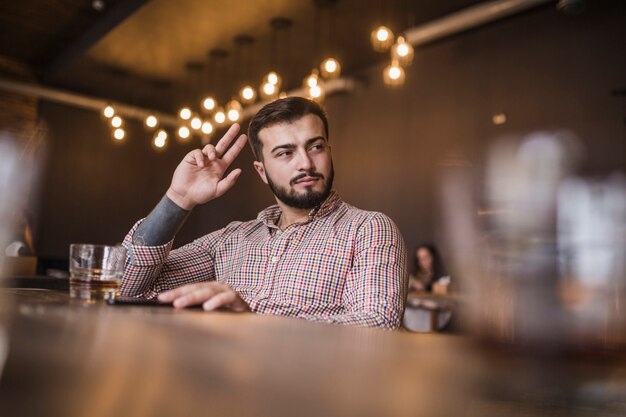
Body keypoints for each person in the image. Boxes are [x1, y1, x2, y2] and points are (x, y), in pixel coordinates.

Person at [121, 97, 408, 329]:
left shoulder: (368, 228)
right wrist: (178, 199)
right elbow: (129, 285)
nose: (305, 163)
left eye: (316, 147)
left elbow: (377, 326)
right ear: (262, 171)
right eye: (285, 153)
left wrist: (254, 322)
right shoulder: (232, 238)